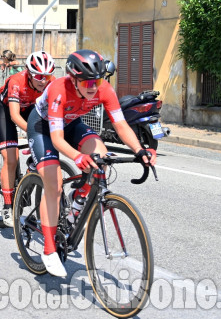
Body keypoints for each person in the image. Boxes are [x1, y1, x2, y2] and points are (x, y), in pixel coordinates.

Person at [26, 49, 157, 277]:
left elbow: (121, 125)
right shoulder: (59, 89)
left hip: (71, 123)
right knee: (54, 184)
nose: (92, 87)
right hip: (43, 127)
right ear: (73, 78)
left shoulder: (104, 89)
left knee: (102, 157)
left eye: (96, 81)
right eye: (86, 82)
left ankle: (78, 201)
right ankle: (48, 250)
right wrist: (77, 157)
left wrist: (139, 150)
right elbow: (57, 139)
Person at [0, 51, 56, 227]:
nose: (43, 80)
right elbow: (14, 115)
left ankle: (30, 170)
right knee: (11, 158)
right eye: (38, 76)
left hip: (30, 110)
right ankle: (7, 206)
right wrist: (34, 133)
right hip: (5, 112)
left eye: (47, 76)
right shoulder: (16, 81)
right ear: (29, 73)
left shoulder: (51, 82)